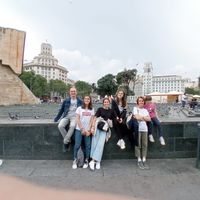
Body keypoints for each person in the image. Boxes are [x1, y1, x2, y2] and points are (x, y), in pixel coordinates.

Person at [89, 97, 118, 170]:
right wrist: (92, 127)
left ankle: (95, 161)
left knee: (101, 144)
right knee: (94, 143)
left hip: (105, 128)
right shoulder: (100, 109)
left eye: (107, 102)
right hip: (97, 126)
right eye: (105, 102)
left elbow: (116, 118)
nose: (106, 103)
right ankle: (94, 161)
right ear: (103, 103)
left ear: (109, 103)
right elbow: (95, 118)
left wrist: (120, 119)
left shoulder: (111, 111)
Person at [54, 87, 82, 152]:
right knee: (60, 126)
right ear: (69, 93)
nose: (73, 92)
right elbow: (61, 110)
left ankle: (65, 142)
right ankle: (68, 140)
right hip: (66, 116)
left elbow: (82, 110)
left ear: (76, 92)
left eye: (74, 91)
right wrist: (57, 118)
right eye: (71, 91)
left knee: (72, 126)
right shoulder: (66, 100)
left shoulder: (80, 101)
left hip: (75, 117)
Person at [72, 95, 95, 169]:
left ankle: (86, 160)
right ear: (83, 100)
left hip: (87, 130)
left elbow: (92, 120)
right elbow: (77, 119)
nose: (87, 100)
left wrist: (88, 130)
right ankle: (75, 160)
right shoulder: (79, 108)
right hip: (79, 129)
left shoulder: (92, 109)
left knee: (88, 146)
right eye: (85, 98)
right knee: (77, 145)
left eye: (88, 99)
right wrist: (82, 129)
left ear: (90, 100)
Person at [132, 96, 151, 169]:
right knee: (138, 144)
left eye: (142, 101)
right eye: (139, 101)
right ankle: (139, 159)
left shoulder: (145, 110)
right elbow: (137, 117)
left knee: (145, 144)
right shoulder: (135, 108)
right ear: (137, 102)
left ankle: (144, 158)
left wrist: (141, 117)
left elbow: (149, 119)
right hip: (137, 129)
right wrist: (144, 118)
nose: (141, 102)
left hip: (145, 129)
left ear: (144, 102)